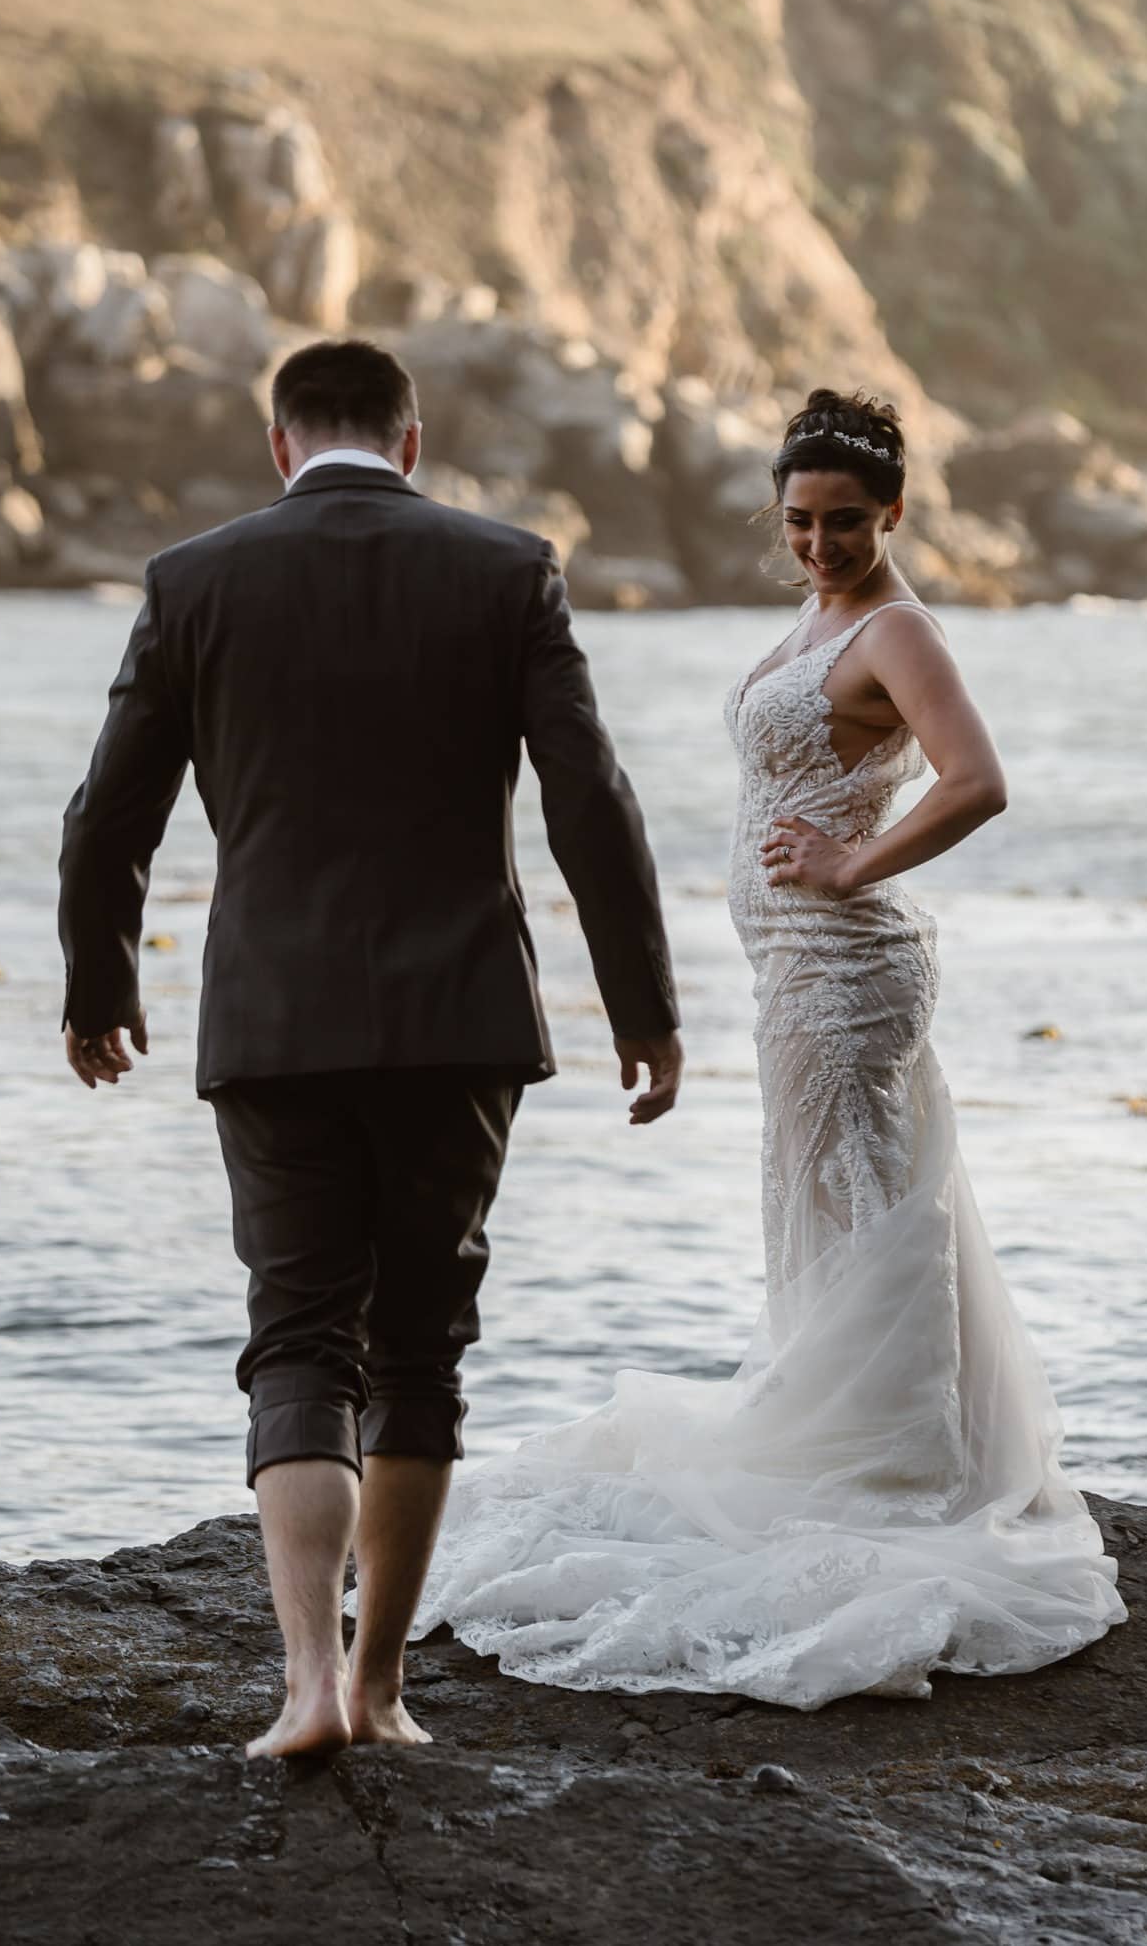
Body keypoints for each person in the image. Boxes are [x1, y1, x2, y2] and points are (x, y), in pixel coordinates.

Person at [391, 387, 1126, 1708]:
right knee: (829, 1205)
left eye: (847, 521)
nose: (821, 543)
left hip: (849, 967)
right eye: (800, 521)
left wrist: (853, 861)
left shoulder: (898, 626)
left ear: (894, 512)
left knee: (853, 1207)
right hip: (798, 967)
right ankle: (877, 1438)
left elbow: (977, 778)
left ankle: (885, 1467)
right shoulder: (822, 612)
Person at [56, 337, 682, 1757]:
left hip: (274, 1022)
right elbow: (594, 800)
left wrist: (100, 986)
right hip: (459, 1019)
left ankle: (303, 1685)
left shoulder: (193, 580)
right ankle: (385, 1684)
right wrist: (642, 1007)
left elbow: (109, 819)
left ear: (281, 445)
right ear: (411, 441)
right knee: (418, 1346)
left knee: (296, 1334)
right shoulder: (507, 568)